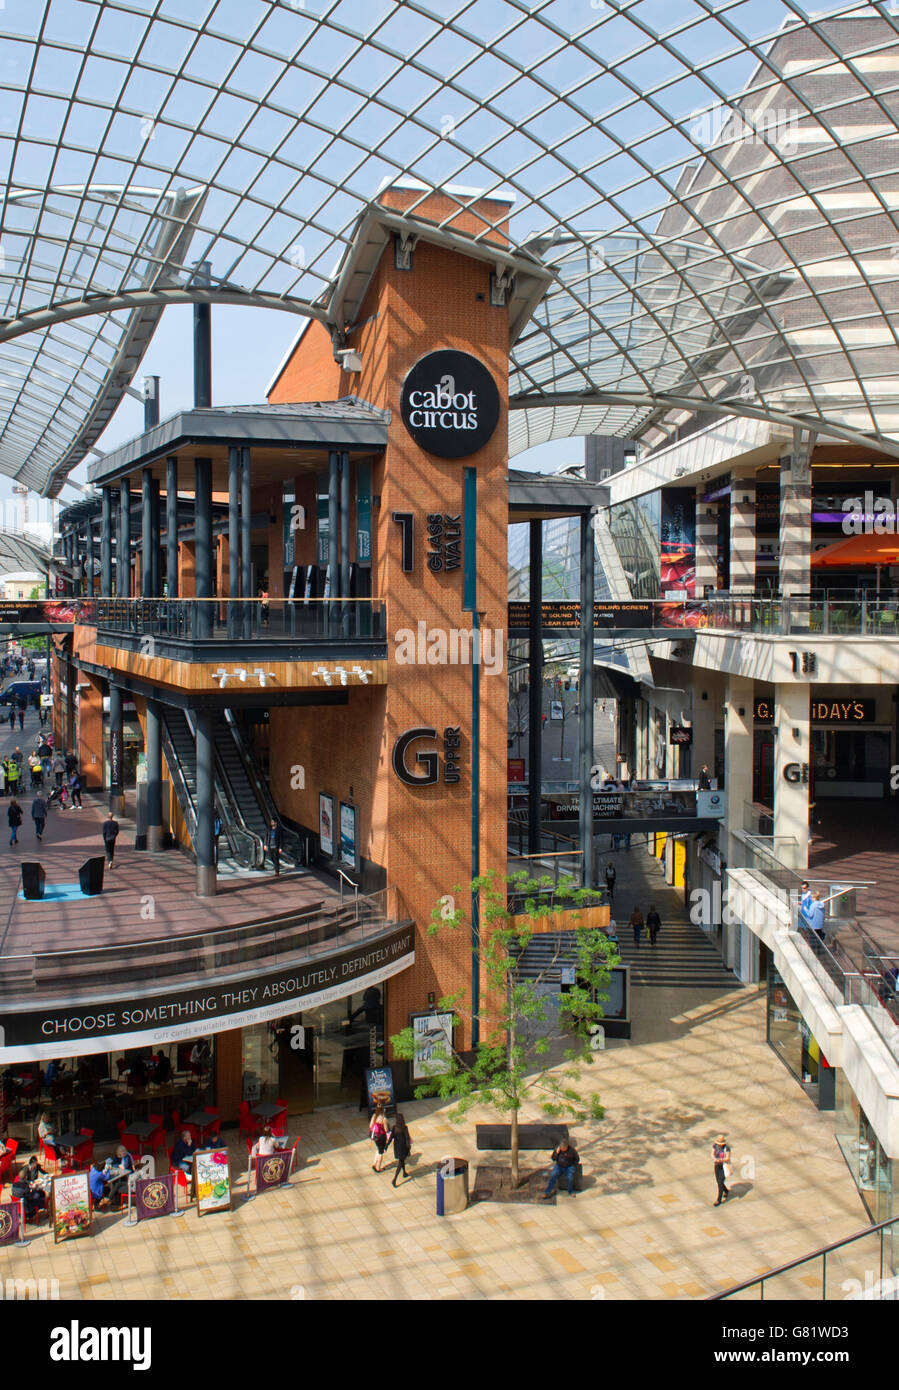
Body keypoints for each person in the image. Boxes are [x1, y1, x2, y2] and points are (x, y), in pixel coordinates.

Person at [389, 1113, 412, 1187]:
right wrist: (408, 1148)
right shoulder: (404, 1128)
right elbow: (407, 1138)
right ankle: (394, 1179)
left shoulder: (394, 1128)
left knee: (402, 1160)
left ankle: (404, 1172)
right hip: (403, 1148)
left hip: (397, 1148)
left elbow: (390, 1138)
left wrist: (386, 1146)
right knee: (401, 1162)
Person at [712, 1133, 731, 1206]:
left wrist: (720, 1160)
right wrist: (714, 1158)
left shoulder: (726, 1148)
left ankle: (718, 1200)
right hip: (717, 1165)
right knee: (718, 1181)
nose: (719, 1145)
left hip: (724, 1166)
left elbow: (728, 1158)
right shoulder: (715, 1146)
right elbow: (712, 1153)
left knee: (720, 1183)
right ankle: (726, 1190)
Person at [369, 1105, 389, 1171]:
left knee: (378, 1148)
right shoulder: (384, 1118)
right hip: (381, 1136)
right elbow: (386, 1130)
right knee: (381, 1152)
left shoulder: (374, 1116)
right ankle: (378, 1167)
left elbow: (370, 1126)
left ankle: (374, 1163)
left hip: (375, 1135)